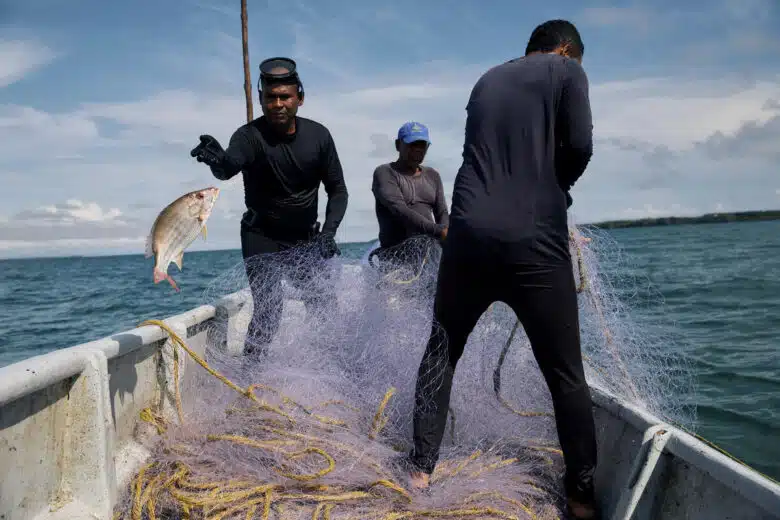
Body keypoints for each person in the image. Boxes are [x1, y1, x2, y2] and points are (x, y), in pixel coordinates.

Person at [406, 20, 599, 520]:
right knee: (565, 376)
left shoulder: (486, 79)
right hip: (534, 240)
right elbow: (578, 147)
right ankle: (579, 496)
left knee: (442, 350)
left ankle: (419, 471)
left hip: (467, 236)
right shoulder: (568, 72)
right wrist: (559, 191)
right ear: (565, 50)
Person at [190, 57, 349, 356]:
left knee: (324, 302)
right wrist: (216, 160)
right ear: (262, 101)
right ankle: (252, 378)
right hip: (260, 235)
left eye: (285, 97)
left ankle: (336, 362)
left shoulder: (319, 136)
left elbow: (338, 190)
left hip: (304, 238)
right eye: (270, 98)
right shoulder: (248, 136)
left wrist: (328, 233)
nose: (278, 104)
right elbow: (228, 168)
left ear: (299, 98)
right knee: (269, 308)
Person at [369, 122, 449, 285]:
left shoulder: (433, 175)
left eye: (422, 145)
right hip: (395, 258)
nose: (418, 149)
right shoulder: (385, 173)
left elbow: (442, 213)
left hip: (429, 257)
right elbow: (399, 210)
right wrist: (439, 231)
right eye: (412, 144)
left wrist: (446, 235)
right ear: (398, 145)